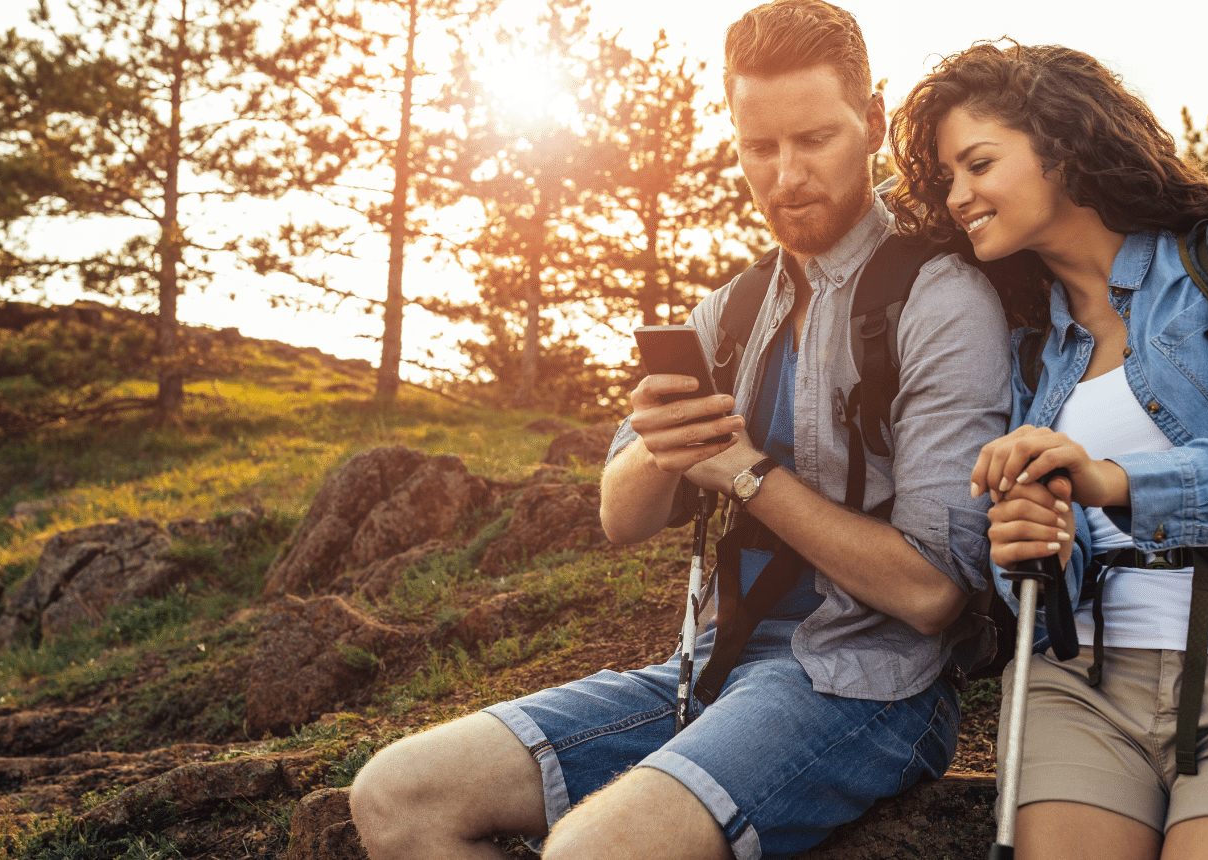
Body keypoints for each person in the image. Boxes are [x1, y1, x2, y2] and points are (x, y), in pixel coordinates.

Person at [347, 3, 1012, 859]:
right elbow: (621, 519)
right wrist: (662, 448)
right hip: (706, 673)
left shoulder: (941, 301)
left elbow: (932, 593)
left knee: (591, 850)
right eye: (758, 148)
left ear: (875, 121)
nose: (786, 177)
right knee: (395, 797)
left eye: (814, 140)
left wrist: (742, 471)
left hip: (870, 691)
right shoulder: (730, 310)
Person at [890, 41, 1208, 860]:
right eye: (946, 179)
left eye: (978, 163)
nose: (959, 196)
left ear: (1061, 146)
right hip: (1087, 683)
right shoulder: (1032, 349)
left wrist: (1108, 479)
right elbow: (1042, 574)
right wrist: (1031, 541)